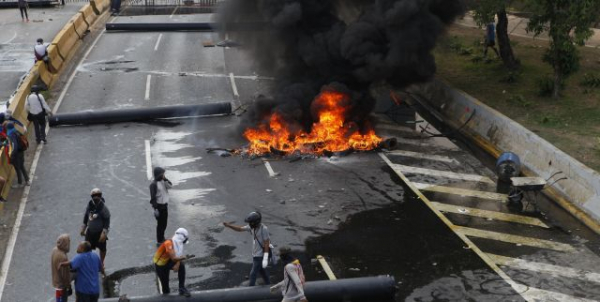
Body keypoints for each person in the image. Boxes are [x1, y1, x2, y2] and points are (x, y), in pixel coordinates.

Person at [223, 211, 271, 286]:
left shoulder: (264, 229)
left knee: (253, 273)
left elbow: (266, 243)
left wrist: (265, 257)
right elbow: (240, 229)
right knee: (262, 271)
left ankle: (250, 292)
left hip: (260, 255)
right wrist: (229, 226)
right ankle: (269, 286)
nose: (249, 224)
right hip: (255, 254)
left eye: (251, 222)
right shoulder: (251, 227)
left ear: (256, 222)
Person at [153, 228, 191, 297]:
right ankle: (166, 297)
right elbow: (174, 258)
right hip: (160, 265)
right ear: (181, 237)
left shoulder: (178, 244)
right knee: (165, 287)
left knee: (181, 266)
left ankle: (181, 288)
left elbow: (178, 256)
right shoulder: (168, 243)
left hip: (167, 260)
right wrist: (184, 258)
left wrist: (178, 264)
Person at [80, 188, 110, 266]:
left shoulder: (103, 207)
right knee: (86, 247)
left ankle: (101, 263)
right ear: (91, 196)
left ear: (101, 196)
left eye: (98, 195)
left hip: (100, 232)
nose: (96, 197)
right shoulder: (89, 205)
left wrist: (104, 232)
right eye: (94, 195)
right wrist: (83, 227)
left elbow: (107, 219)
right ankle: (88, 263)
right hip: (90, 232)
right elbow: (86, 216)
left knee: (102, 248)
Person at [149, 167, 172, 244]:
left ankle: (162, 237)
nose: (163, 175)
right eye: (162, 174)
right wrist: (155, 209)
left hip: (165, 205)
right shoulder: (153, 184)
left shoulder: (163, 181)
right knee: (160, 224)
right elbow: (153, 198)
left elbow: (170, 186)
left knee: (164, 223)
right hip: (159, 207)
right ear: (158, 175)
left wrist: (165, 179)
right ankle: (160, 240)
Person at [5, 122, 30, 188]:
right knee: (22, 166)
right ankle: (27, 180)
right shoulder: (16, 131)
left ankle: (20, 183)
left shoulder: (11, 135)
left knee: (17, 168)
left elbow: (14, 146)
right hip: (21, 152)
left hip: (16, 154)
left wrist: (12, 156)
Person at [51, 234, 72, 302]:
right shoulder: (63, 257)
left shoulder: (54, 250)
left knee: (58, 298)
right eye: (68, 242)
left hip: (56, 281)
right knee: (62, 299)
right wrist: (69, 286)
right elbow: (65, 275)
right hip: (62, 285)